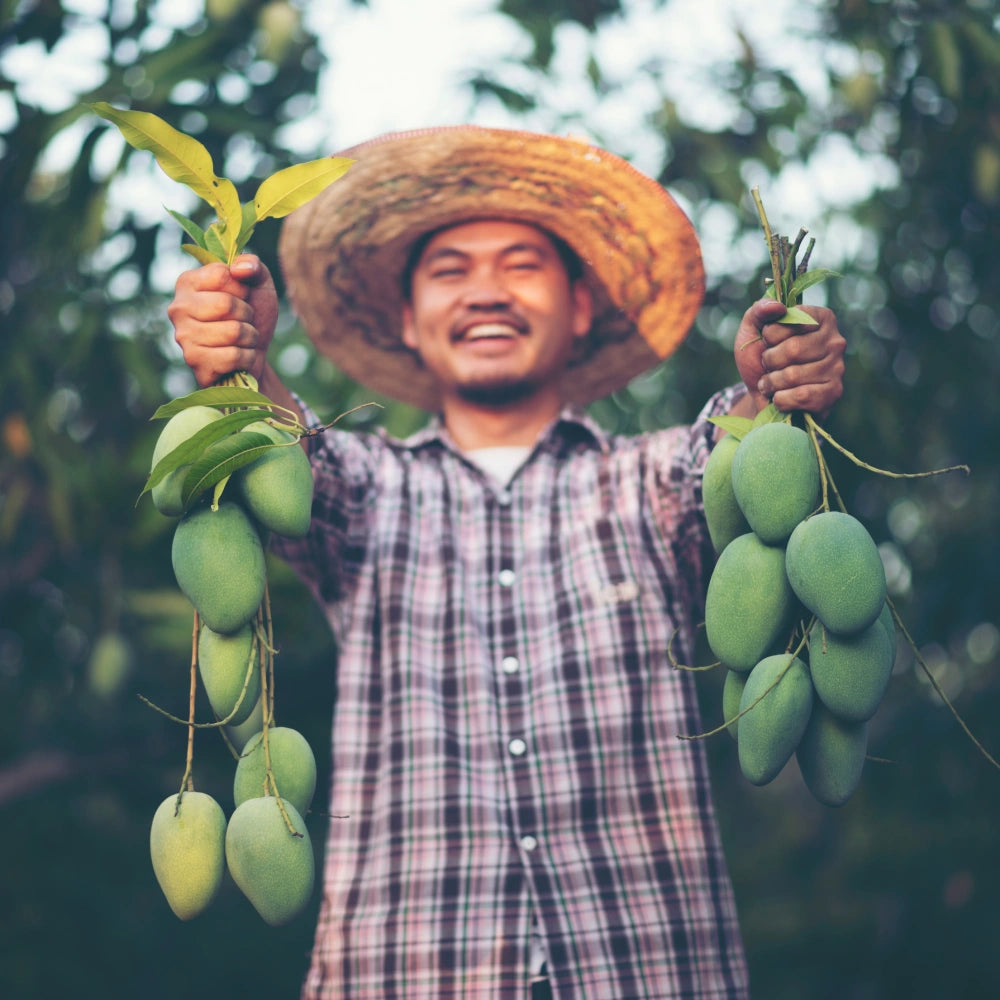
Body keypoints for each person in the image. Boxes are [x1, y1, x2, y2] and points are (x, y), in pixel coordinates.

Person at [168, 126, 846, 1000]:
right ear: (408, 319)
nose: (486, 291)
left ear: (580, 305)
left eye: (521, 265)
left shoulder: (642, 488)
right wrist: (243, 363)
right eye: (450, 271)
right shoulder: (372, 496)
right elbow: (299, 465)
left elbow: (723, 464)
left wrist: (772, 386)